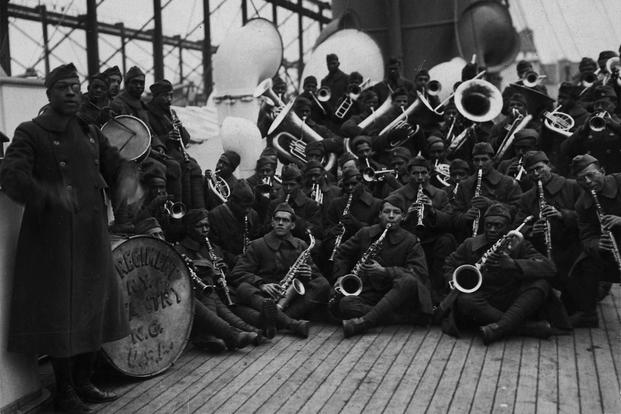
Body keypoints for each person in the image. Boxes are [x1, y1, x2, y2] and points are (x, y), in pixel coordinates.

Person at [0, 63, 142, 413]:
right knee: (61, 316)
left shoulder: (90, 131)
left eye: (75, 86)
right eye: (63, 86)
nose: (71, 92)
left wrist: (127, 178)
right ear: (48, 94)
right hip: (53, 243)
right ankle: (63, 391)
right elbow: (12, 175)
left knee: (94, 308)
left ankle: (83, 381)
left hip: (92, 237)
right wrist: (49, 194)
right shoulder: (30, 132)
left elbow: (116, 163)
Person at [441, 203, 562, 344]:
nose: (492, 229)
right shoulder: (470, 244)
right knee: (464, 300)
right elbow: (449, 264)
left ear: (507, 227)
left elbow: (550, 268)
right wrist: (454, 283)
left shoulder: (520, 244)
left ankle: (499, 327)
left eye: (498, 226)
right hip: (483, 298)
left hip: (511, 297)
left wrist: (513, 264)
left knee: (541, 285)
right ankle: (525, 328)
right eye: (488, 225)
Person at [331, 195, 432, 337]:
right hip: (370, 294)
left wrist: (386, 271)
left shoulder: (410, 240)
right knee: (346, 303)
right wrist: (340, 276)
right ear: (379, 214)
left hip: (397, 295)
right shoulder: (365, 233)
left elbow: (419, 272)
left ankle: (365, 322)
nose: (391, 216)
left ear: (403, 217)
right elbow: (342, 253)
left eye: (396, 213)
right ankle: (402, 319)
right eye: (386, 212)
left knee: (408, 280)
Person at [230, 203, 331, 335]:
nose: (280, 223)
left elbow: (316, 276)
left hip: (291, 297)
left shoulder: (300, 245)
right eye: (277, 219)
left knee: (322, 284)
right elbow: (237, 273)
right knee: (243, 288)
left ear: (292, 225)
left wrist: (309, 273)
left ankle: (274, 320)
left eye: (285, 220)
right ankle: (290, 323)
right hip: (265, 296)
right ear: (272, 222)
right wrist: (261, 284)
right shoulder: (257, 245)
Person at [174, 209, 263, 352]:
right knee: (213, 296)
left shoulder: (213, 248)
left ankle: (245, 331)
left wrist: (224, 270)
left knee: (239, 309)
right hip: (198, 297)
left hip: (220, 294)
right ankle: (235, 333)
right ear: (189, 228)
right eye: (200, 226)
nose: (204, 230)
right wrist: (208, 269)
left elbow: (228, 274)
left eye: (207, 226)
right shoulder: (179, 249)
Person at [390, 156, 456, 303]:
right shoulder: (397, 196)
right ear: (408, 175)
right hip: (407, 242)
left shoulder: (440, 194)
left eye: (424, 173)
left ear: (429, 174)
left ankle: (437, 289)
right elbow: (386, 221)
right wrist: (406, 216)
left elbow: (449, 221)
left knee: (447, 240)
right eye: (415, 173)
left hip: (431, 242)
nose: (420, 177)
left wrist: (432, 211)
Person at [514, 151, 581, 292]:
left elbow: (590, 218)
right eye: (531, 171)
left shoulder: (572, 186)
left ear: (549, 165)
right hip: (544, 254)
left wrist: (563, 215)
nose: (536, 174)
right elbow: (517, 226)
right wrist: (532, 231)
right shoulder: (527, 197)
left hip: (574, 250)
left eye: (539, 168)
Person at [566, 154, 621, 327]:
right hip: (613, 250)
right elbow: (586, 236)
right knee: (584, 264)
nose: (588, 182)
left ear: (603, 171)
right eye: (582, 179)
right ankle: (588, 314)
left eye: (591, 175)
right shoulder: (582, 204)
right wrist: (596, 244)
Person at [146, 79, 205, 209]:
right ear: (156, 96)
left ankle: (198, 210)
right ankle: (182, 208)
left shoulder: (171, 112)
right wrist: (167, 137)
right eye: (166, 96)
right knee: (184, 166)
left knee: (195, 167)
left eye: (171, 95)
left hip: (176, 152)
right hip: (161, 154)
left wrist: (180, 128)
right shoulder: (147, 113)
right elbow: (148, 138)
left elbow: (186, 140)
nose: (170, 99)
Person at [452, 142, 522, 242]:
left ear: (492, 161)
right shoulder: (465, 185)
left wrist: (491, 205)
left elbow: (518, 211)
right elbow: (454, 215)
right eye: (476, 160)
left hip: (501, 238)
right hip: (470, 239)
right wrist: (465, 217)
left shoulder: (508, 182)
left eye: (484, 159)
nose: (480, 164)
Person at [323, 167, 382, 280]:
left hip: (364, 249)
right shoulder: (336, 204)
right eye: (347, 185)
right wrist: (333, 231)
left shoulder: (376, 204)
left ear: (362, 183)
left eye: (354, 184)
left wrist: (357, 224)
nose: (350, 188)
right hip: (342, 249)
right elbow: (325, 230)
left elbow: (378, 231)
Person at [562, 85, 621, 174]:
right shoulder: (587, 125)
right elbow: (566, 150)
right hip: (591, 177)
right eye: (597, 104)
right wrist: (583, 129)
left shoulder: (618, 124)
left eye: (604, 104)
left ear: (614, 105)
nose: (600, 108)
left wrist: (615, 126)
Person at [208, 179, 263, 267]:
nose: (247, 210)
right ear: (232, 201)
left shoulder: (253, 215)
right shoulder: (215, 215)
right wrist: (233, 258)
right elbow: (213, 247)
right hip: (226, 264)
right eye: (244, 207)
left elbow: (257, 239)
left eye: (250, 206)